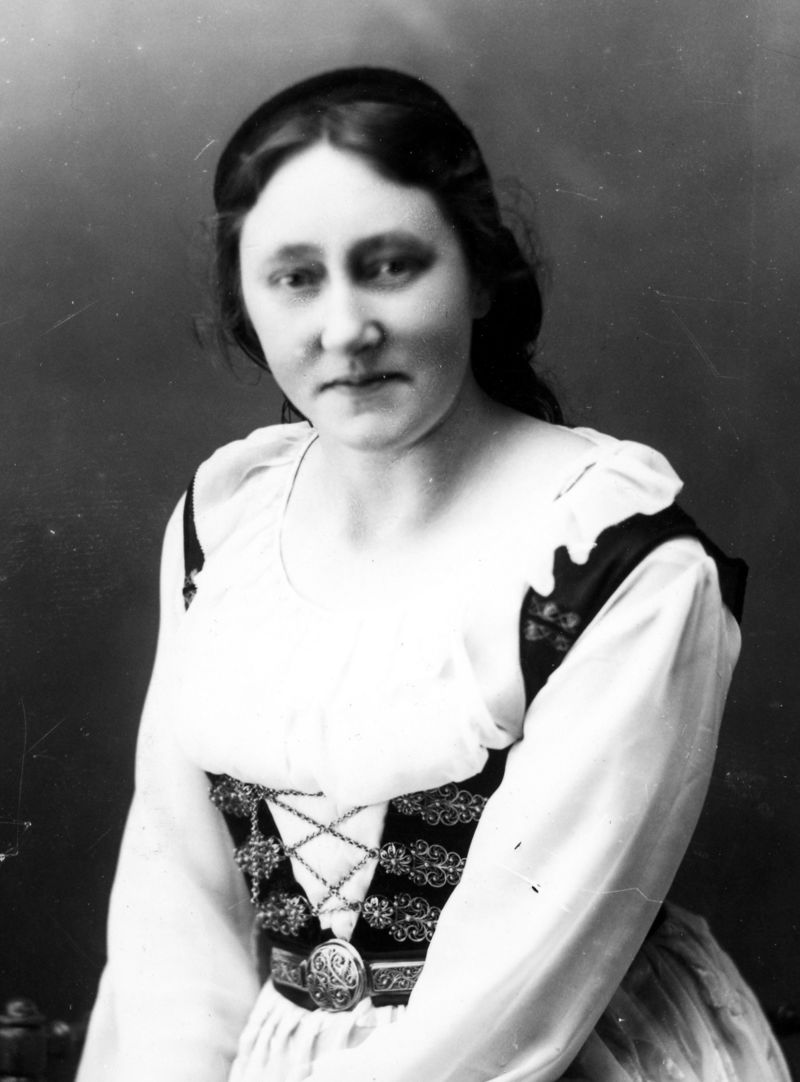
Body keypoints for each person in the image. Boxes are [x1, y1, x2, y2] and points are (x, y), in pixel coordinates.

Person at [76, 67, 789, 1082]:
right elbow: (175, 904)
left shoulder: (616, 563)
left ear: (481, 273)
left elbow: (505, 1007)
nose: (344, 328)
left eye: (391, 265)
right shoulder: (222, 524)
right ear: (244, 299)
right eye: (295, 278)